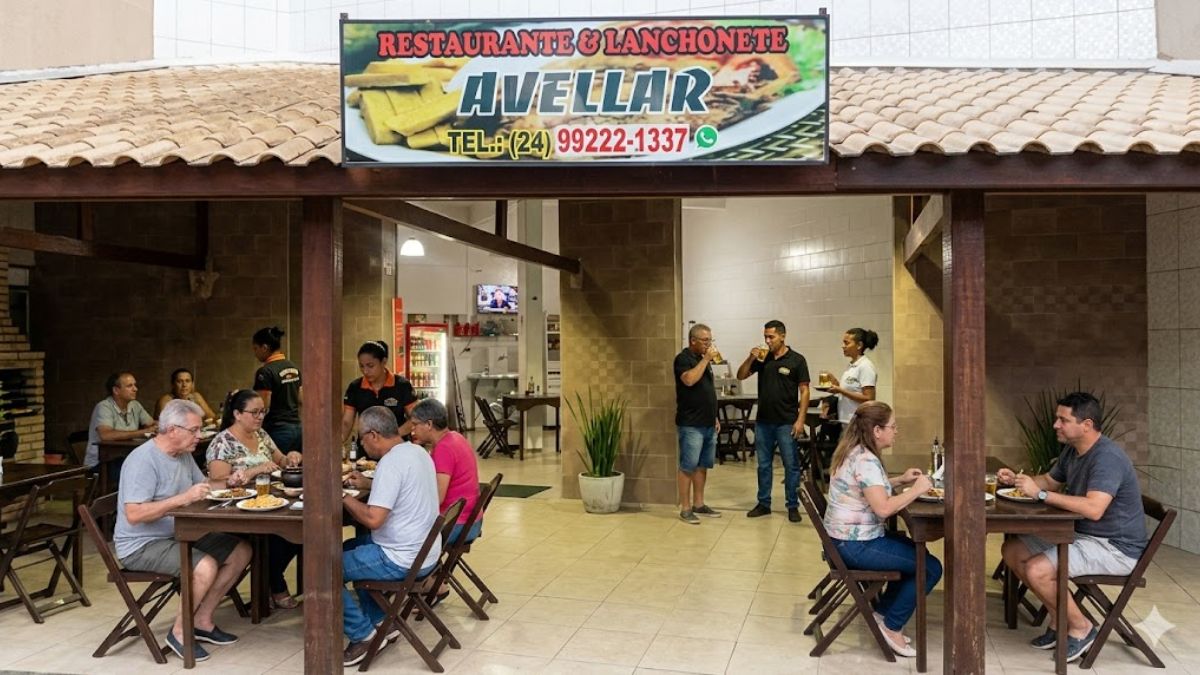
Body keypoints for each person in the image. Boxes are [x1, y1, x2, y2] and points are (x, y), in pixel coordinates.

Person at [999, 392, 1147, 663]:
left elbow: (1093, 508)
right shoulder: (1073, 450)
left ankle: (1082, 627)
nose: (1056, 425)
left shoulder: (1107, 458)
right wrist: (1019, 480)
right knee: (1013, 548)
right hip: (1084, 536)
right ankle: (1059, 620)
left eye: (1063, 420)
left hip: (1114, 548)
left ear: (1087, 425)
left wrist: (1039, 495)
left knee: (1037, 569)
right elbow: (1049, 481)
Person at [114, 399, 252, 663]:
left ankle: (201, 619)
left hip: (178, 534)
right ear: (172, 429)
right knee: (205, 566)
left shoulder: (183, 455)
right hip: (142, 545)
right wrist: (181, 499)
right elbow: (134, 515)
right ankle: (179, 633)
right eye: (195, 430)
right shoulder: (143, 460)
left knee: (241, 550)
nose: (199, 436)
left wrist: (228, 482)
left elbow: (205, 486)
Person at [823, 400, 940, 658]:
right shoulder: (866, 459)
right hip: (854, 546)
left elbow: (867, 487)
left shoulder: (854, 451)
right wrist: (918, 490)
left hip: (841, 541)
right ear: (877, 430)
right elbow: (884, 509)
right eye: (893, 427)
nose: (896, 431)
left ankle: (883, 614)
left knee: (915, 553)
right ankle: (891, 625)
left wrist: (900, 480)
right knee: (930, 567)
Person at [340, 406, 441, 667]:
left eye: (362, 438)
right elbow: (401, 489)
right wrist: (366, 484)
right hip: (425, 553)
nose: (362, 444)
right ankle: (382, 621)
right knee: (350, 546)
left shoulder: (390, 463)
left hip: (401, 558)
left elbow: (373, 519)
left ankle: (361, 635)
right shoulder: (416, 451)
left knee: (321, 566)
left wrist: (341, 495)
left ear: (374, 435)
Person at [206, 390, 302, 609]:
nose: (260, 417)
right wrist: (253, 471)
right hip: (236, 512)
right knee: (281, 537)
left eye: (263, 412)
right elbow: (218, 482)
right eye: (254, 412)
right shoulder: (223, 443)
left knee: (300, 531)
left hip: (268, 503)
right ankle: (275, 585)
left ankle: (271, 582)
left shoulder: (261, 435)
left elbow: (281, 460)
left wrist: (292, 457)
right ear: (237, 414)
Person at [736, 319, 810, 522]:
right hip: (763, 422)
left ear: (783, 336)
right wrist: (751, 358)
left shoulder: (797, 360)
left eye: (771, 337)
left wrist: (800, 419)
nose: (767, 341)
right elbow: (741, 376)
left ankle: (792, 505)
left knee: (791, 465)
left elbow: (804, 391)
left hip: (786, 421)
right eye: (765, 337)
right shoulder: (763, 359)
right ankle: (763, 503)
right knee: (764, 465)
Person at [674, 323, 722, 525]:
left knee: (702, 466)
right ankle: (685, 508)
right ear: (692, 340)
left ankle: (699, 504)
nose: (709, 344)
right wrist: (706, 359)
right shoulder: (683, 359)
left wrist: (715, 416)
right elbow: (690, 380)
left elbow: (706, 391)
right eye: (705, 340)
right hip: (691, 424)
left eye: (710, 340)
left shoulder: (705, 361)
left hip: (708, 423)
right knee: (688, 466)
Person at [341, 340, 417, 448]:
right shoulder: (355, 387)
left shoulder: (402, 386)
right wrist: (338, 443)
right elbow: (346, 422)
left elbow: (415, 419)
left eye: (370, 366)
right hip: (366, 451)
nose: (365, 371)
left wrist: (392, 437)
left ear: (383, 362)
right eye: (361, 366)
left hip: (396, 448)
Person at [85, 372, 157, 468]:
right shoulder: (104, 407)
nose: (135, 389)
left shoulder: (135, 405)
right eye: (129, 386)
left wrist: (163, 425)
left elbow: (151, 424)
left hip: (126, 458)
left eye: (135, 385)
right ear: (116, 390)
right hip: (101, 463)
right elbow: (106, 435)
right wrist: (142, 432)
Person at [252, 326, 302, 453]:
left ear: (264, 347)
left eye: (255, 348)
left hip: (277, 430)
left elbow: (262, 405)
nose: (255, 353)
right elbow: (301, 399)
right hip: (297, 428)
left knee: (276, 469)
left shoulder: (265, 372)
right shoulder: (293, 367)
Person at [825, 327, 879, 425]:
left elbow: (869, 398)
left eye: (847, 343)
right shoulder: (851, 366)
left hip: (859, 423)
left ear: (859, 345)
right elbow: (850, 391)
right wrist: (835, 383)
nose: (843, 346)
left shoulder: (865, 366)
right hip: (846, 422)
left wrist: (840, 390)